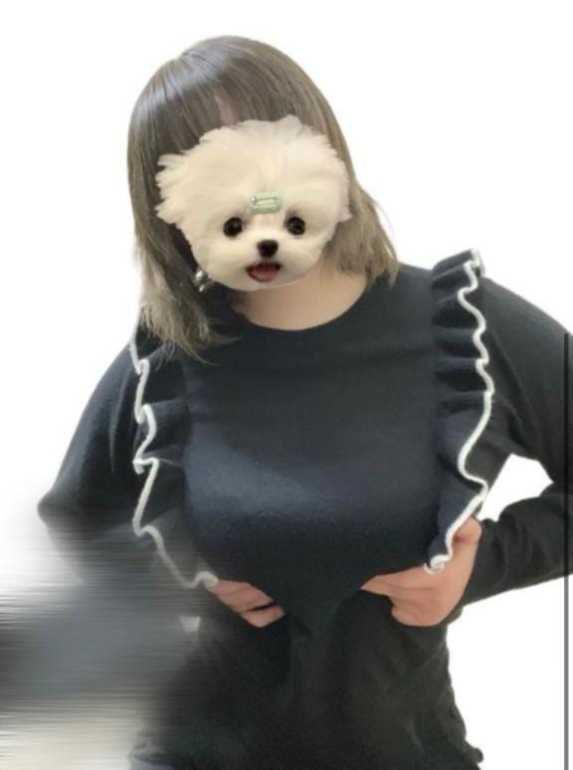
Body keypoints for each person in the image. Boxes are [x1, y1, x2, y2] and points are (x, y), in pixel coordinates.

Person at [37, 35, 572, 770]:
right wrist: (178, 587)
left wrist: (477, 571)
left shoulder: (466, 328)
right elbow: (77, 517)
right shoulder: (169, 356)